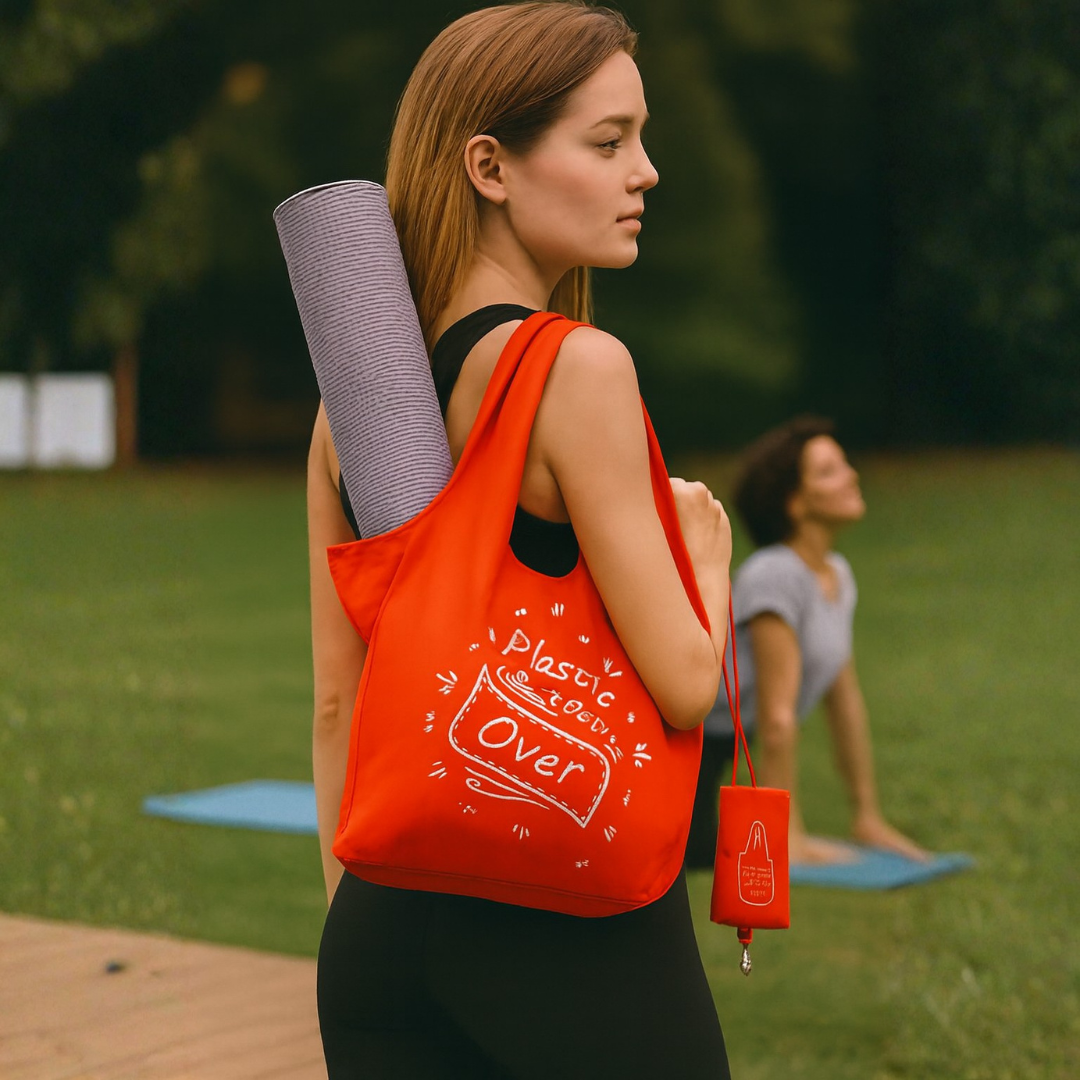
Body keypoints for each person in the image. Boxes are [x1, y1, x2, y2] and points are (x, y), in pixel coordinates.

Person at [306, 4, 733, 1076]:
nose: (646, 171)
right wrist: (708, 556)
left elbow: (337, 701)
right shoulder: (576, 369)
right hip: (572, 931)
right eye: (609, 141)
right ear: (490, 166)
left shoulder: (348, 408)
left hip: (377, 939)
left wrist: (355, 919)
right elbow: (688, 684)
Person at [685, 416, 929, 869]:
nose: (851, 475)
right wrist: (786, 841)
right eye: (829, 471)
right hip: (688, 746)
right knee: (693, 860)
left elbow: (844, 699)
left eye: (843, 464)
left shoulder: (837, 575)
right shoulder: (775, 574)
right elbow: (777, 721)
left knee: (714, 856)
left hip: (731, 741)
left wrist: (867, 816)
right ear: (795, 504)